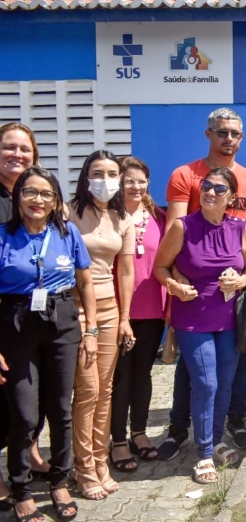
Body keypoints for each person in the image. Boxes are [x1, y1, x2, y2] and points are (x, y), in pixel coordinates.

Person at [160, 108, 246, 461]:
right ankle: (180, 429)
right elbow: (171, 248)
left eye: (235, 133)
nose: (229, 139)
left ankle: (227, 425)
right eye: (222, 132)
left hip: (231, 306)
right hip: (193, 298)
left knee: (230, 372)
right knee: (193, 374)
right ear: (209, 134)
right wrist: (177, 284)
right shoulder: (184, 175)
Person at [0, 167, 95, 522]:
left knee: (61, 409)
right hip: (16, 324)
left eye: (45, 194)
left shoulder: (67, 232)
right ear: (18, 196)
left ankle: (58, 482)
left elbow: (85, 283)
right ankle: (21, 489)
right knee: (24, 414)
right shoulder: (3, 236)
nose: (37, 200)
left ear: (56, 200)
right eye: (30, 192)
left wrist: (92, 330)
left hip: (62, 321)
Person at [154, 168, 246, 484]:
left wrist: (242, 279)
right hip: (193, 318)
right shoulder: (183, 226)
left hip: (228, 319)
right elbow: (159, 266)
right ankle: (203, 453)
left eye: (219, 188)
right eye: (206, 186)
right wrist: (174, 285)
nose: (210, 192)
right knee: (206, 382)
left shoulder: (240, 228)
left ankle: (216, 440)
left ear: (232, 197)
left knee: (225, 382)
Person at [68, 150, 135, 500]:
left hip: (110, 309)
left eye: (112, 173)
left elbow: (125, 269)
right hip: (75, 310)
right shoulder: (66, 213)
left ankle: (99, 460)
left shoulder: (121, 217)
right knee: (88, 391)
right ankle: (83, 468)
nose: (106, 180)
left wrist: (125, 318)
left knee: (106, 391)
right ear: (85, 175)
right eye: (98, 172)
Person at [109, 157, 167, 473]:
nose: (136, 186)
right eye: (129, 180)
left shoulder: (160, 216)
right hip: (117, 310)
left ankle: (139, 432)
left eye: (141, 180)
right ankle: (117, 440)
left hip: (152, 310)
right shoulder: (108, 217)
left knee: (143, 373)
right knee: (120, 377)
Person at [0, 122, 41, 511]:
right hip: (3, 316)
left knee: (28, 395)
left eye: (24, 150)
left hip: (32, 317)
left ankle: (30, 452)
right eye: (9, 148)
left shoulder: (35, 196)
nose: (17, 155)